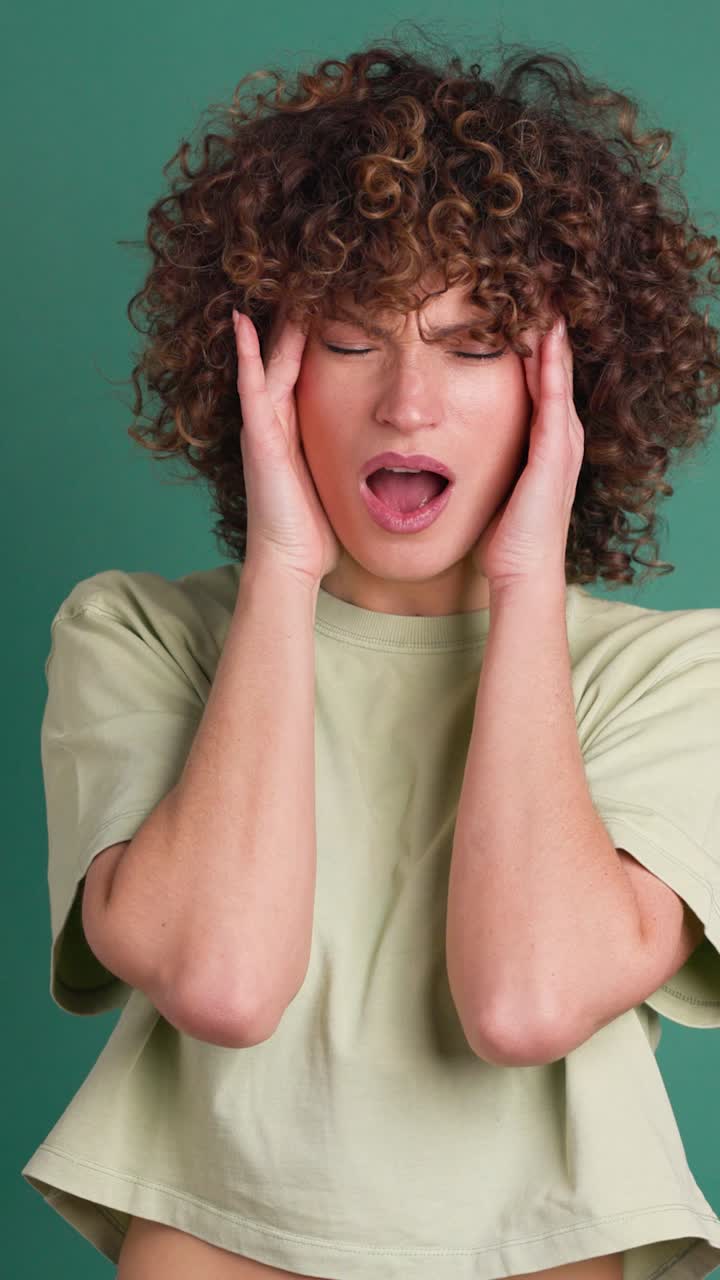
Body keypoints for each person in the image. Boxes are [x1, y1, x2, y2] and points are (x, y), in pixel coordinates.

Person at [21, 28, 720, 1280]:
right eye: (350, 337)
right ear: (261, 372)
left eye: (472, 343)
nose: (408, 403)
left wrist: (522, 584)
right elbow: (223, 979)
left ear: (567, 388)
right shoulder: (136, 633)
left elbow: (526, 1000)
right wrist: (285, 576)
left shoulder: (676, 675)